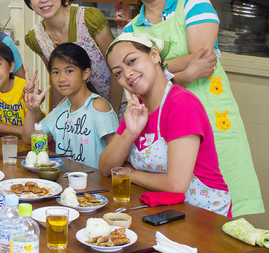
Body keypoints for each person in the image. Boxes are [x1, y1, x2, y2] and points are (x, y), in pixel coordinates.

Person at [118, 0, 263, 216]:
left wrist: (155, 69)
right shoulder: (131, 28)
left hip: (212, 110)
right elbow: (139, 75)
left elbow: (203, 55)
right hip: (166, 121)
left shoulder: (193, 2)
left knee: (224, 198)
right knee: (178, 200)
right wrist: (186, 72)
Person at [99, 32, 232, 216]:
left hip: (204, 217)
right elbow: (106, 167)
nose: (127, 74)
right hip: (166, 212)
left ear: (154, 55)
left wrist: (129, 174)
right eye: (118, 73)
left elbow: (176, 184)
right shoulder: (136, 110)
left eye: (131, 61)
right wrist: (130, 133)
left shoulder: (181, 104)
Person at [20, 0, 122, 112]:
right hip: (82, 116)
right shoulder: (36, 38)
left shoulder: (88, 20)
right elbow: (57, 83)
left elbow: (118, 69)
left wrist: (111, 113)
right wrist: (55, 118)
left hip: (119, 105)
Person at [23, 43, 118, 169]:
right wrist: (31, 109)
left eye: (69, 71)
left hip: (95, 183)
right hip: (66, 180)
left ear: (85, 73)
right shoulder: (63, 107)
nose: (61, 78)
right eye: (56, 72)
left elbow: (116, 156)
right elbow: (29, 138)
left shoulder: (98, 106)